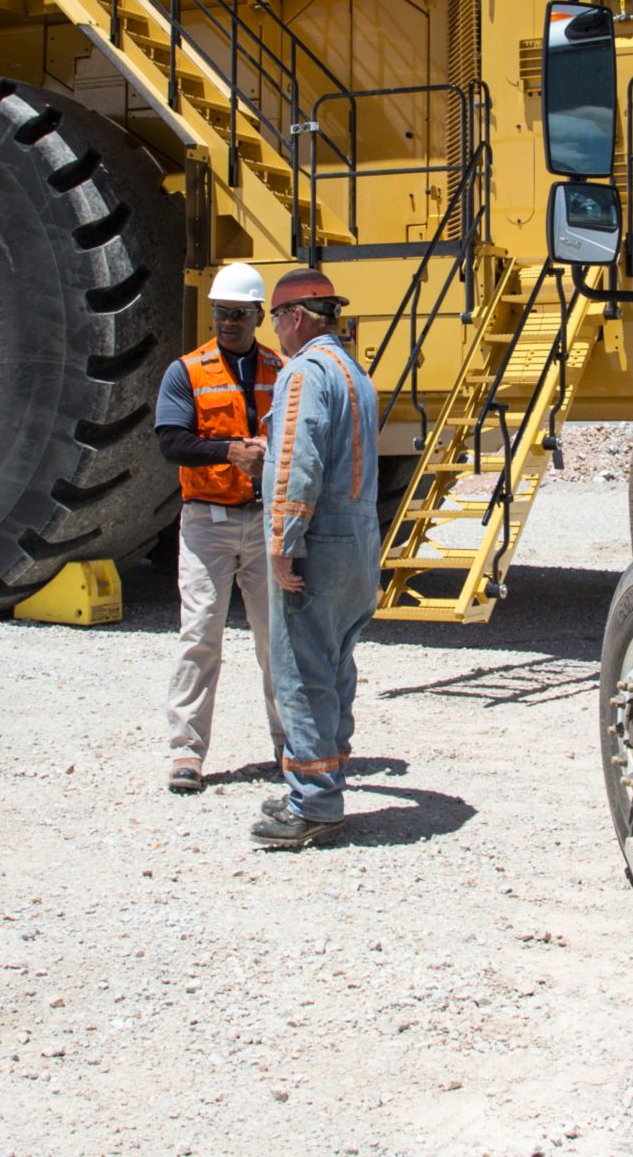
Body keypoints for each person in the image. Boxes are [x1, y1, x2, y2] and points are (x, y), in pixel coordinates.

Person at [251, 268, 382, 849]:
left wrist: (282, 542)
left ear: (297, 317)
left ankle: (314, 804)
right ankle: (322, 780)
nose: (273, 329)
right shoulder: (355, 372)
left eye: (274, 317)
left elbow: (296, 464)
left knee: (302, 672)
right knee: (336, 667)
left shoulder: (303, 372)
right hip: (358, 540)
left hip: (320, 541)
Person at [155, 262, 286, 795]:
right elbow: (171, 442)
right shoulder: (187, 371)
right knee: (201, 634)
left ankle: (291, 745)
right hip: (207, 522)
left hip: (263, 523)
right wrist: (232, 451)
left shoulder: (282, 369)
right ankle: (186, 752)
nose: (227, 322)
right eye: (219, 313)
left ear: (258, 315)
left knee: (276, 640)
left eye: (237, 314)